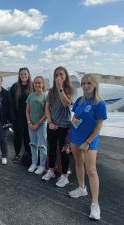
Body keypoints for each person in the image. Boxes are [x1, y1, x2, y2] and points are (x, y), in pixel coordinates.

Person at [69, 74, 107, 220]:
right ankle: (81, 188)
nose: (85, 86)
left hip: (90, 141)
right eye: (83, 83)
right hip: (75, 137)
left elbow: (99, 125)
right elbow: (74, 118)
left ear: (95, 85)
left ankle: (95, 204)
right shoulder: (79, 100)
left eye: (88, 83)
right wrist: (74, 124)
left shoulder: (99, 103)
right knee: (78, 163)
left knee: (91, 170)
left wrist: (87, 142)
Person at [43, 66, 75, 187]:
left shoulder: (70, 89)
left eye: (61, 74)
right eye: (56, 75)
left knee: (64, 151)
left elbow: (66, 103)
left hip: (64, 125)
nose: (59, 77)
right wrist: (50, 122)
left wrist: (60, 88)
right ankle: (51, 170)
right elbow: (47, 107)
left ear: (65, 76)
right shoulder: (51, 91)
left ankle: (64, 176)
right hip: (52, 124)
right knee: (51, 148)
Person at [9, 67, 32, 163]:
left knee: (28, 136)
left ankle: (28, 154)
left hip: (30, 116)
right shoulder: (15, 87)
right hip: (18, 116)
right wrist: (11, 117)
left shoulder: (32, 86)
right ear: (19, 75)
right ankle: (17, 154)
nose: (23, 76)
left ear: (28, 74)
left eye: (25, 74)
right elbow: (10, 102)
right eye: (21, 74)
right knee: (18, 136)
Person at [26, 76, 47, 174]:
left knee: (42, 145)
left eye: (39, 83)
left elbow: (47, 113)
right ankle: (34, 163)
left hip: (41, 125)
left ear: (43, 84)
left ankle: (42, 165)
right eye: (35, 83)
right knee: (33, 144)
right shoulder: (31, 96)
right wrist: (29, 123)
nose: (37, 85)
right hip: (31, 124)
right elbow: (27, 111)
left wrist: (38, 124)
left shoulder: (46, 96)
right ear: (33, 85)